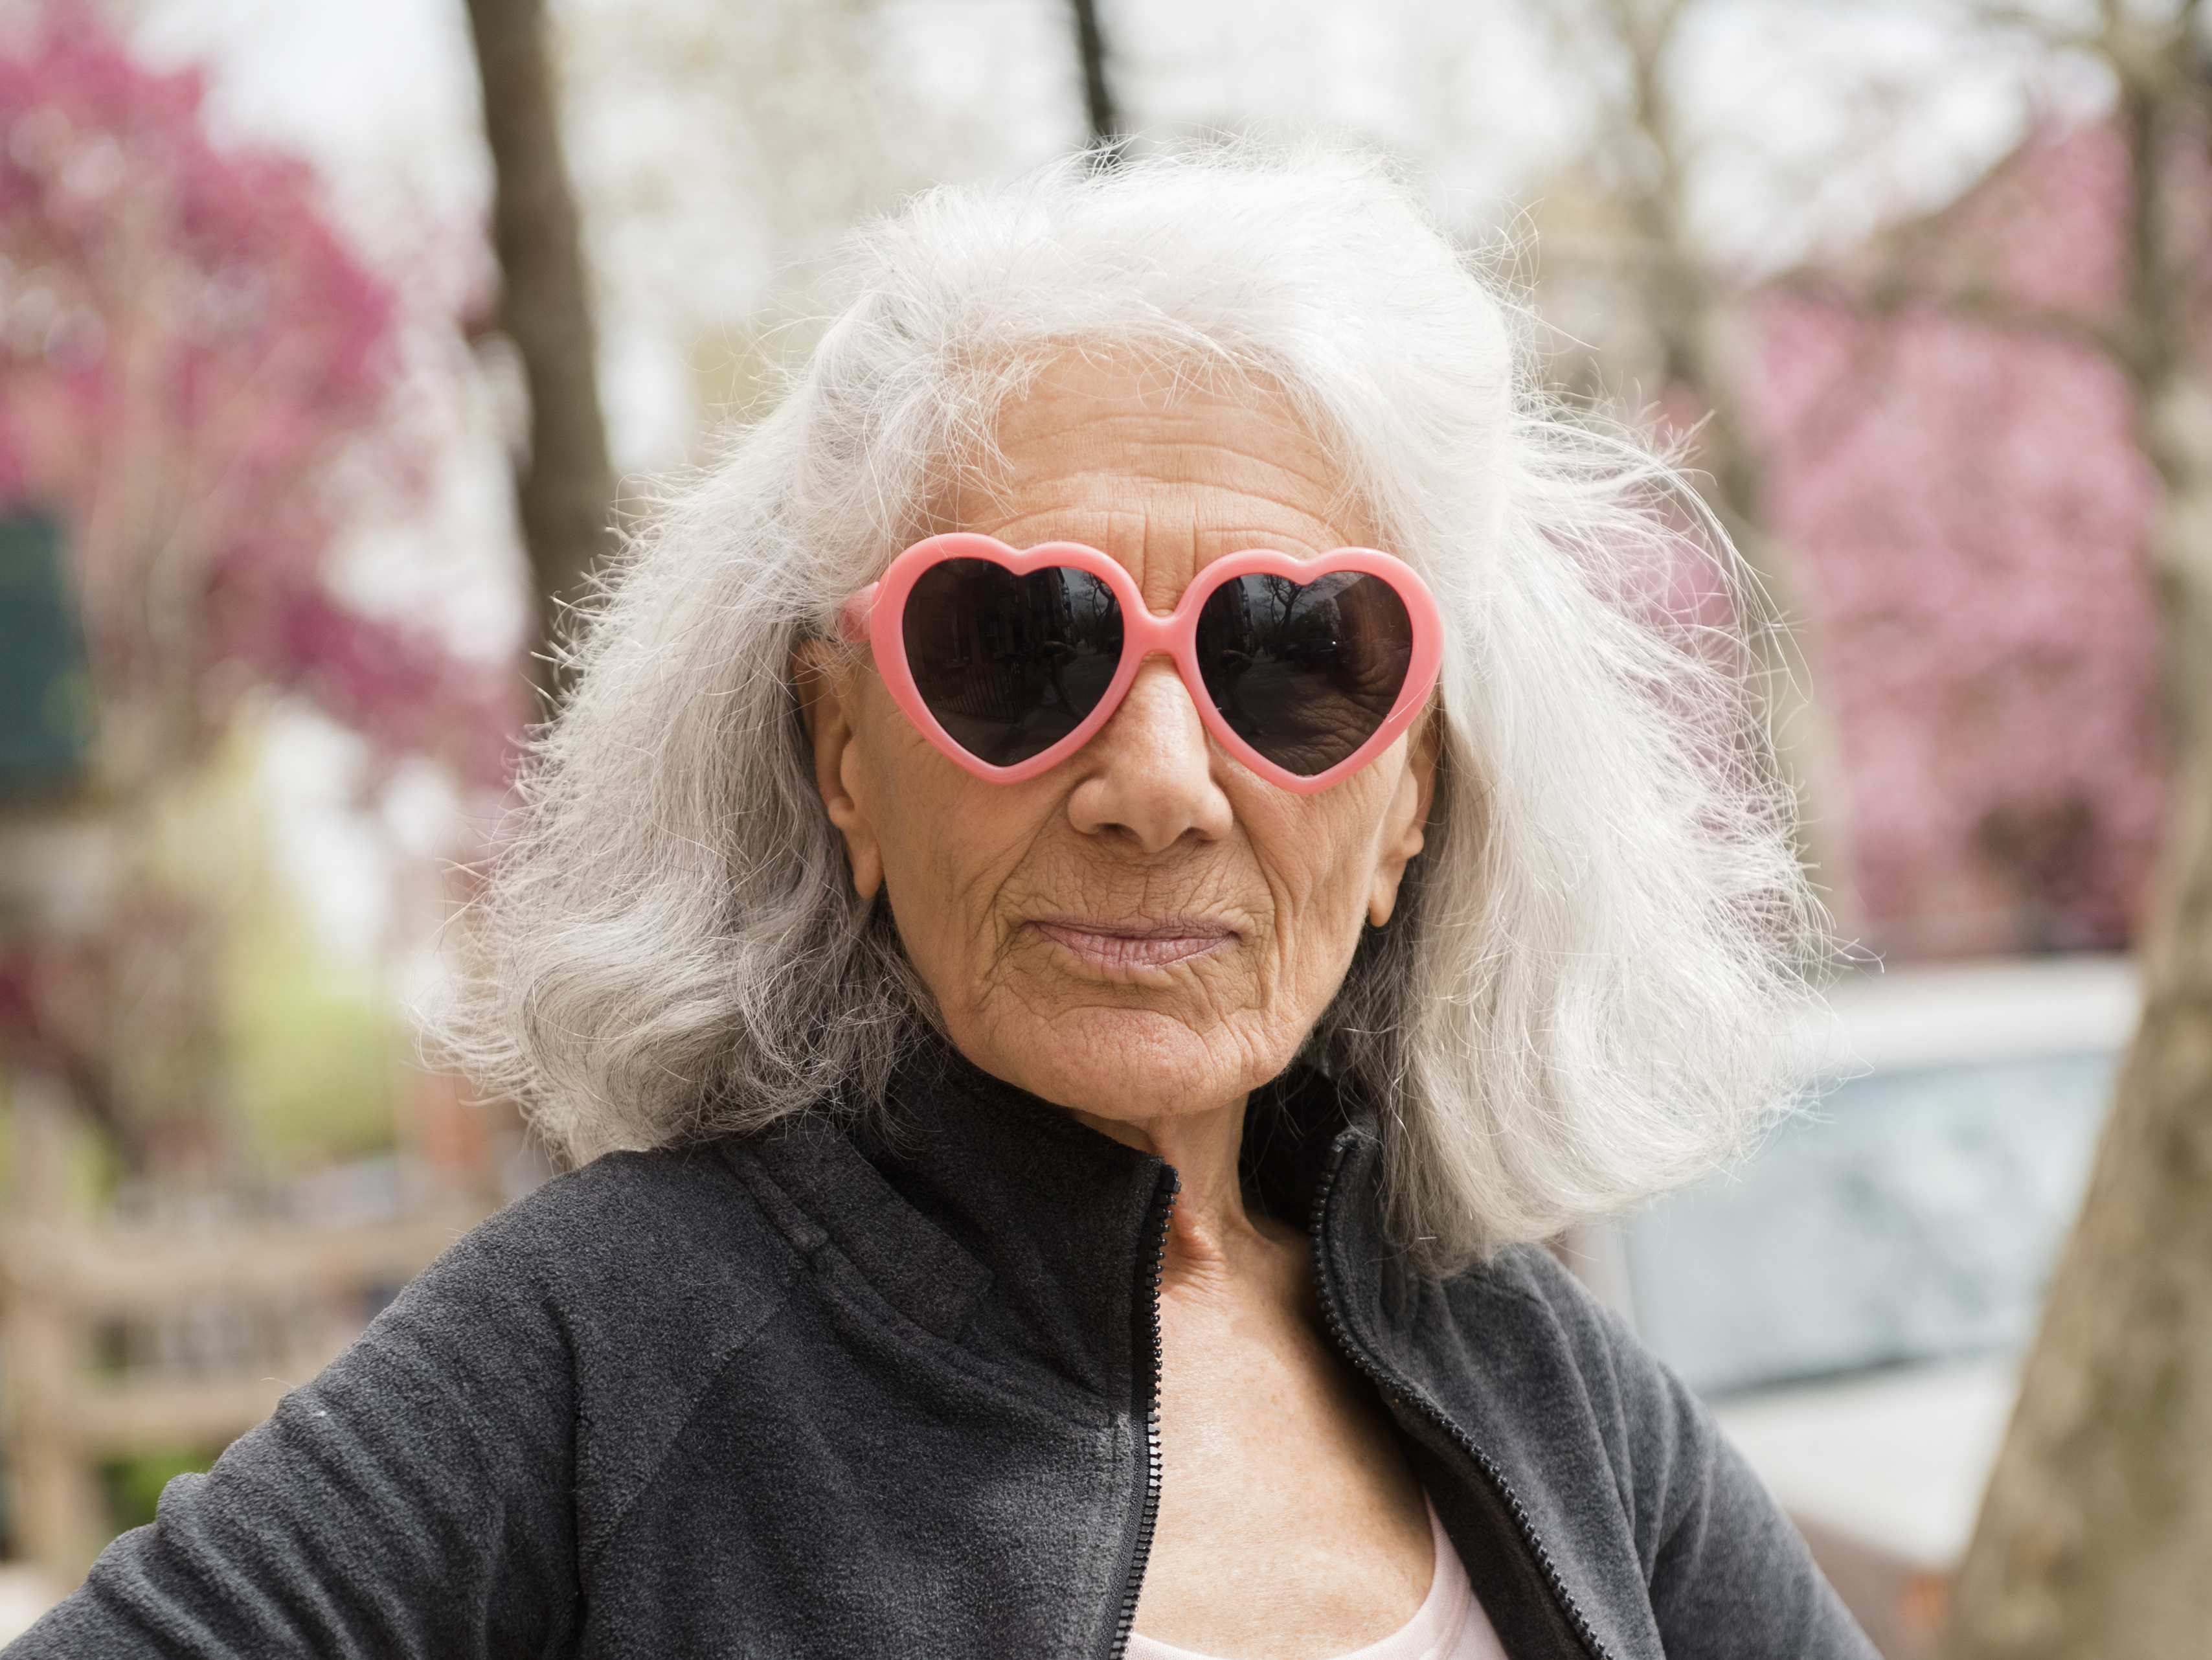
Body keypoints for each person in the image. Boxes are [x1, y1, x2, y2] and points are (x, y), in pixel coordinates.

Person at [9, 148, 1871, 1660]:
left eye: (1294, 658)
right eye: (1018, 643)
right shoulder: (611, 1340)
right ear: (842, 754)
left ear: (1408, 806)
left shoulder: (1547, 1393)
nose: (1156, 782)